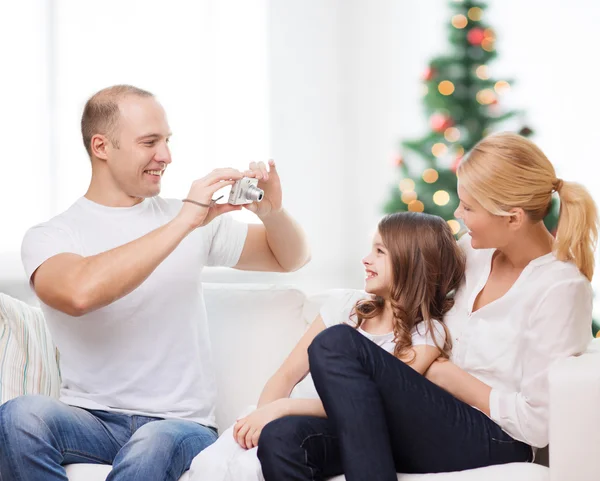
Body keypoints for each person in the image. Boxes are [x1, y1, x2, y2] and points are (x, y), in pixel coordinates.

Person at [0, 85, 310, 481]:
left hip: (180, 427)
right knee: (18, 417)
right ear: (102, 146)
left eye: (166, 141)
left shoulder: (194, 221)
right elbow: (78, 294)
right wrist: (183, 221)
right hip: (91, 420)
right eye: (150, 142)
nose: (165, 156)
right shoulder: (51, 236)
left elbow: (291, 258)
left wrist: (274, 213)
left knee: (151, 445)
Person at [257, 132, 598, 480]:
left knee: (335, 344)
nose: (457, 213)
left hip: (493, 436)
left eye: (469, 208)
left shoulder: (561, 289)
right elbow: (410, 283)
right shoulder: (473, 253)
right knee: (281, 439)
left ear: (512, 218)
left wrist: (446, 375)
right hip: (424, 414)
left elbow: (536, 425)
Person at [188, 211, 466, 481]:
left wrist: (283, 409)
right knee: (224, 464)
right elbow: (286, 375)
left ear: (412, 262)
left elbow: (368, 406)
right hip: (282, 418)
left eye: (380, 252)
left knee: (283, 440)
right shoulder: (347, 307)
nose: (366, 259)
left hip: (333, 430)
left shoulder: (427, 335)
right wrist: (264, 415)